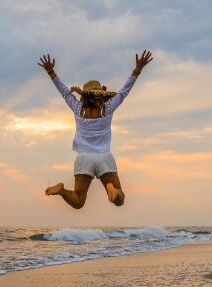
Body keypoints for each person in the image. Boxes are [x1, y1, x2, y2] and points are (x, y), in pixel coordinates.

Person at [38, 50, 153, 209]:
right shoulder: (108, 108)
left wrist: (51, 72)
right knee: (120, 199)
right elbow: (124, 91)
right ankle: (111, 189)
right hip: (104, 157)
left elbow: (64, 92)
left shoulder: (78, 108)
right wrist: (137, 69)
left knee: (78, 201)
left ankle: (62, 191)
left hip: (83, 158)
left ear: (83, 95)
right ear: (101, 94)